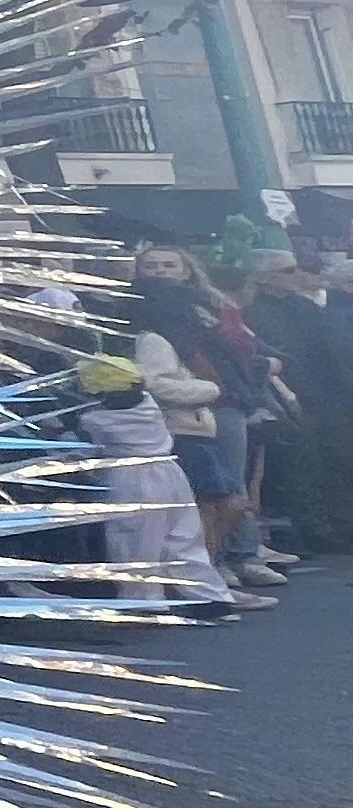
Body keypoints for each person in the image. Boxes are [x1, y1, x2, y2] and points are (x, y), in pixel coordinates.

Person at [127, 243, 265, 593]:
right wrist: (210, 389)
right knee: (209, 498)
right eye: (152, 265)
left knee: (228, 491)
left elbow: (241, 352)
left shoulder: (209, 309)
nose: (159, 272)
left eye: (168, 264)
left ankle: (228, 561)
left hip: (218, 410)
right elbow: (157, 381)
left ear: (187, 270)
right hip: (186, 419)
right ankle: (210, 573)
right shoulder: (148, 325)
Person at [69, 354, 242, 614]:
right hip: (170, 473)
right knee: (184, 539)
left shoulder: (95, 420)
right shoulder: (149, 405)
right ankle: (210, 596)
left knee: (135, 544)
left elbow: (80, 450)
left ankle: (144, 600)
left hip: (131, 478)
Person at [242, 245, 349, 561]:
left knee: (334, 460)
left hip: (324, 393)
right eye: (288, 270)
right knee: (304, 461)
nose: (297, 274)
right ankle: (316, 529)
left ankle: (335, 525)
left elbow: (331, 352)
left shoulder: (305, 307)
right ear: (265, 277)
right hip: (286, 393)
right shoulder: (253, 311)